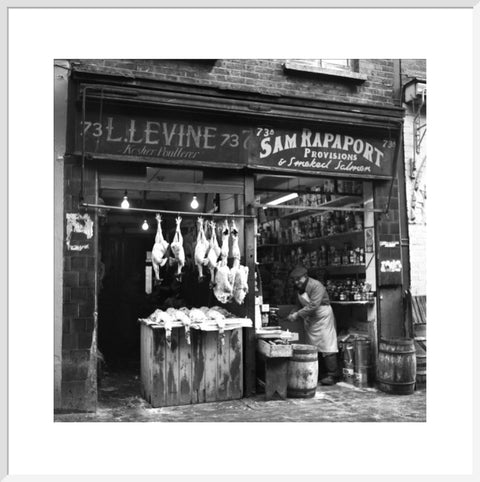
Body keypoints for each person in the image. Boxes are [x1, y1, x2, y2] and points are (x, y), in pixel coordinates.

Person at [287, 266, 339, 385]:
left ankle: (333, 375)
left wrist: (297, 315)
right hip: (311, 319)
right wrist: (292, 312)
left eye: (298, 279)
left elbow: (313, 306)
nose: (296, 282)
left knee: (327, 346)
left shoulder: (316, 286)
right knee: (313, 348)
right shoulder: (299, 288)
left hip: (322, 317)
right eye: (294, 280)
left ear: (305, 277)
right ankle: (319, 374)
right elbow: (299, 304)